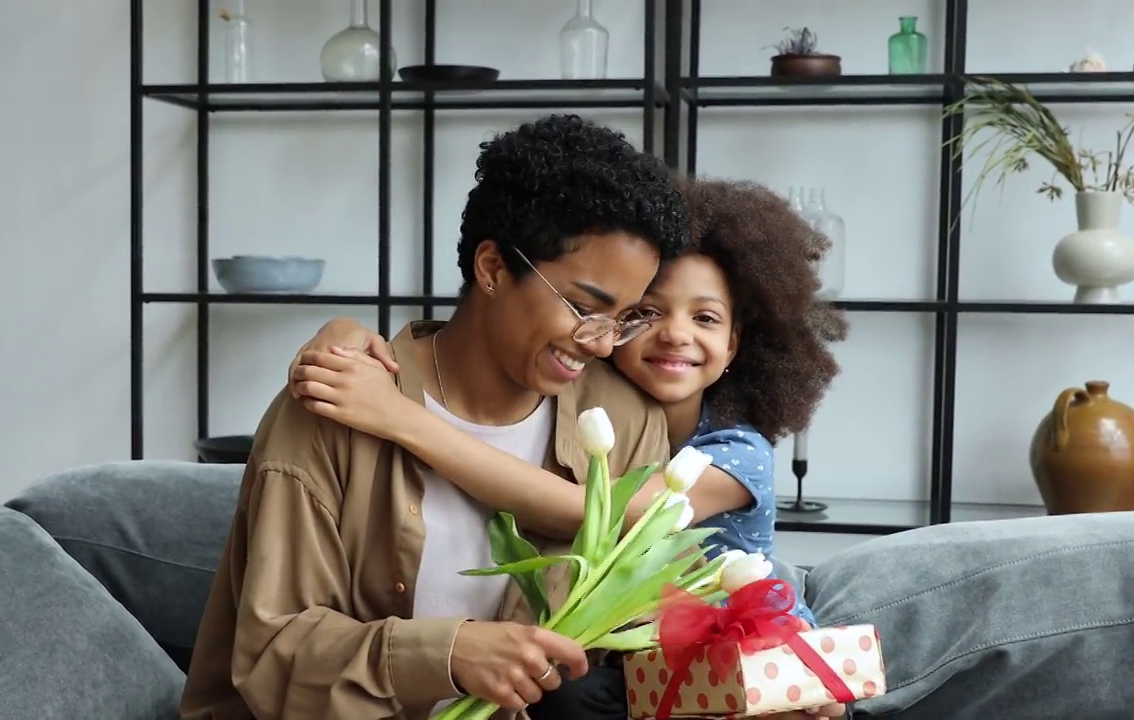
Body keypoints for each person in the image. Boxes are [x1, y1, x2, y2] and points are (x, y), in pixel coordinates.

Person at [178, 113, 695, 720]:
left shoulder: (622, 419)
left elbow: (635, 639)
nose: (604, 343)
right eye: (584, 307)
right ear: (493, 268)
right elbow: (273, 654)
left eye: (627, 317)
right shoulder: (333, 400)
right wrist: (447, 654)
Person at [286, 176, 851, 720]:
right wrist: (342, 330)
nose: (675, 333)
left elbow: (592, 512)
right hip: (651, 658)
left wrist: (403, 419)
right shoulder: (604, 400)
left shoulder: (738, 451)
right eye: (644, 313)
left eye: (704, 317)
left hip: (752, 659)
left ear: (734, 345)